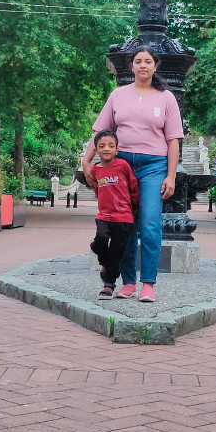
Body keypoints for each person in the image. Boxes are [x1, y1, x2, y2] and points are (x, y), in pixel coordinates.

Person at [81, 46, 183, 303]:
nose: (143, 66)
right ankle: (128, 282)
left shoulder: (166, 98)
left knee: (149, 224)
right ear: (132, 66)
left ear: (155, 66)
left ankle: (148, 283)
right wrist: (86, 161)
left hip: (153, 167)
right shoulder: (118, 95)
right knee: (123, 225)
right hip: (121, 166)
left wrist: (170, 176)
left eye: (148, 61)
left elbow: (173, 141)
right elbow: (100, 132)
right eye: (138, 61)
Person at [88, 129, 139, 300]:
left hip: (124, 217)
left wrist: (135, 207)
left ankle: (108, 285)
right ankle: (103, 260)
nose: (106, 149)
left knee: (118, 251)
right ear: (96, 150)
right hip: (104, 216)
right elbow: (97, 190)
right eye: (102, 146)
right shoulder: (95, 171)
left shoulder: (123, 165)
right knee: (100, 240)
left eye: (111, 146)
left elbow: (133, 187)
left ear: (117, 149)